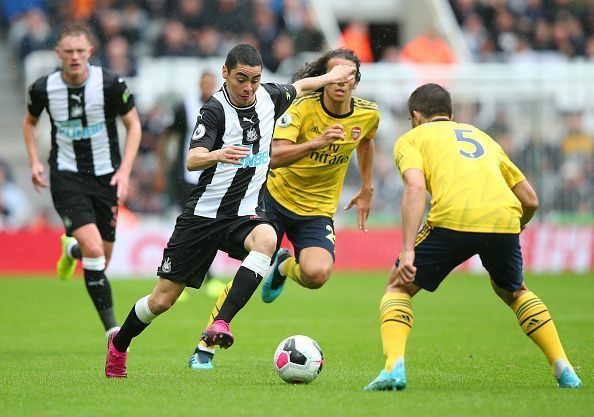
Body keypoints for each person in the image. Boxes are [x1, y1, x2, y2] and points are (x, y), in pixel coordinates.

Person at [104, 43, 355, 378]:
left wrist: (330, 76)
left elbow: (301, 86)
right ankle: (120, 344)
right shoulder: (214, 111)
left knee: (267, 239)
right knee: (161, 301)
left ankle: (221, 321)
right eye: (241, 79)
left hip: (243, 215)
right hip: (203, 218)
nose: (248, 87)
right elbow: (193, 158)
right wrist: (217, 154)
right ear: (225, 74)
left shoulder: (270, 96)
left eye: (254, 79)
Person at [364, 83, 582, 391]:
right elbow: (530, 199)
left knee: (398, 286)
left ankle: (393, 369)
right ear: (450, 114)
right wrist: (513, 228)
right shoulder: (483, 137)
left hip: (453, 217)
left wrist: (408, 251)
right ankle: (564, 368)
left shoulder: (412, 138)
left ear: (415, 115)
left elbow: (414, 188)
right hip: (504, 218)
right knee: (515, 291)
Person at [189, 48, 379, 370]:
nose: (341, 82)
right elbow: (276, 155)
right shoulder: (301, 108)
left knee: (317, 274)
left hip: (317, 210)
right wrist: (315, 144)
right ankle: (206, 344)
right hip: (273, 200)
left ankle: (283, 267)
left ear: (356, 82)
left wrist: (367, 186)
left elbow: (366, 140)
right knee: (251, 267)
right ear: (323, 77)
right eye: (335, 74)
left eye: (349, 76)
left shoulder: (367, 114)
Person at [22, 24, 142, 341]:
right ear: (58, 54)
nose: (74, 57)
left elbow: (134, 125)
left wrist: (125, 170)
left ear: (90, 52)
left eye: (80, 51)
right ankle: (112, 332)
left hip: (106, 176)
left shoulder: (111, 84)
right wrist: (34, 160)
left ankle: (71, 250)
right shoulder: (43, 88)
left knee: (101, 256)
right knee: (94, 249)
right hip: (66, 176)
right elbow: (29, 121)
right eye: (68, 52)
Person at [155, 71, 225, 299]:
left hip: (214, 177)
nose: (208, 87)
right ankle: (173, 277)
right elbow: (166, 135)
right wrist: (162, 168)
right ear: (199, 84)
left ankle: (204, 276)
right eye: (204, 83)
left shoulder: (223, 106)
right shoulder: (185, 106)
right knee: (187, 226)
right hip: (187, 177)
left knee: (208, 227)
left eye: (211, 83)